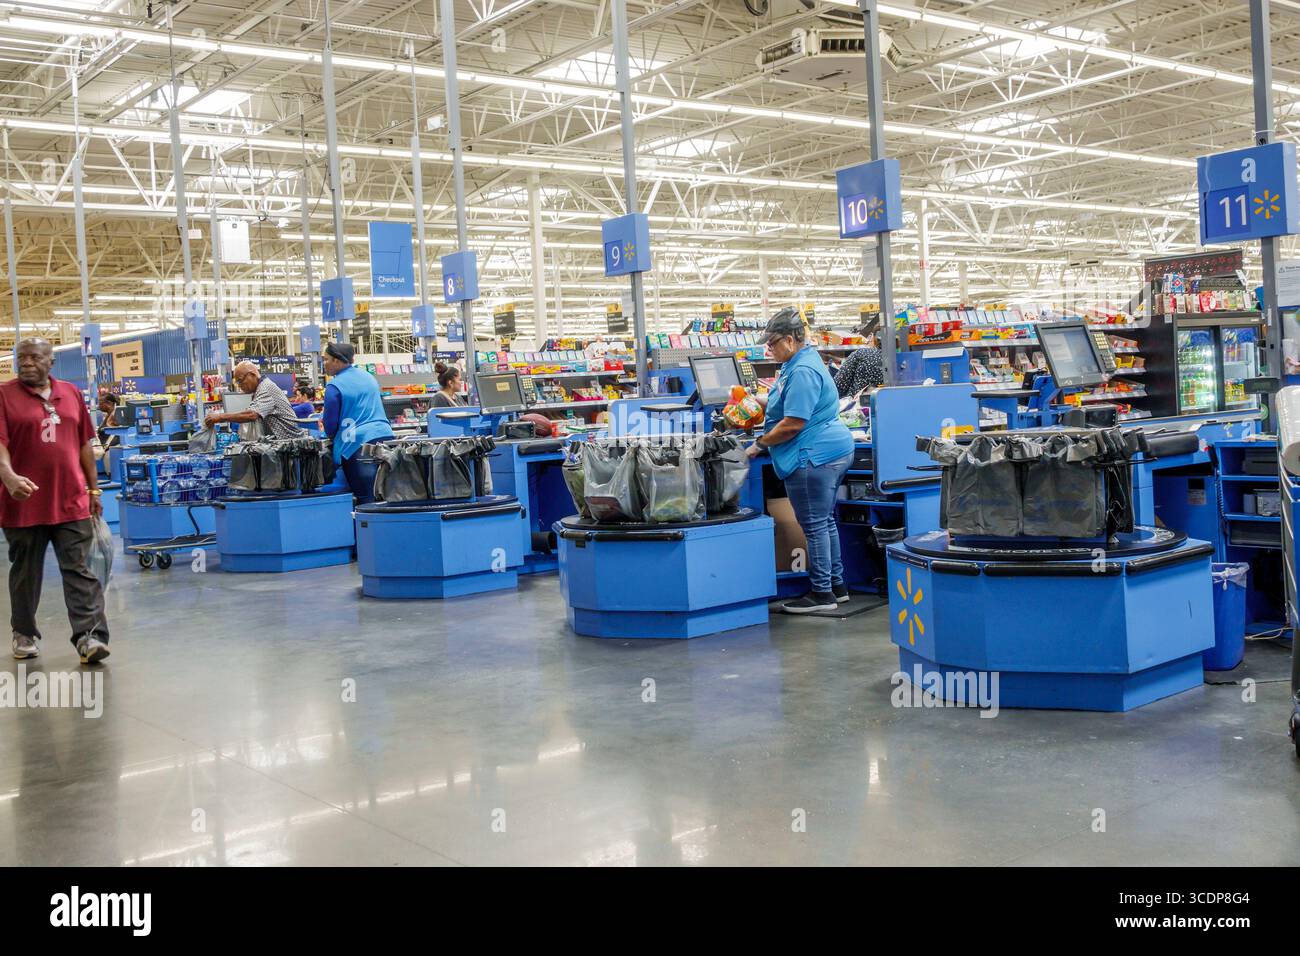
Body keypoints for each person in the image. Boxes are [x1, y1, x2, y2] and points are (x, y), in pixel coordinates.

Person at [0, 338, 110, 663]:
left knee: (79, 569)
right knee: (26, 572)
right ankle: (23, 633)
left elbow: (84, 445)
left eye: (35, 357)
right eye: (22, 358)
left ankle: (89, 637)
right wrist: (7, 476)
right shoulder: (4, 395)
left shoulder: (71, 393)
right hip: (23, 502)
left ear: (51, 362)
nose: (27, 363)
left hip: (71, 501)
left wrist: (93, 490)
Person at [747, 308, 855, 615]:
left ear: (792, 340)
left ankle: (822, 594)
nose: (769, 348)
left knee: (814, 524)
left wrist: (758, 444)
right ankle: (837, 586)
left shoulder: (803, 370)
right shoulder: (798, 364)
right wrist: (760, 402)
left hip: (815, 455)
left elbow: (794, 422)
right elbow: (788, 402)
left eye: (774, 342)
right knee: (824, 520)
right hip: (830, 451)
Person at [321, 341, 394, 501]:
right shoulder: (369, 377)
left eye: (326, 359)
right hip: (386, 439)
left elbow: (330, 426)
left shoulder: (335, 386)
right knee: (386, 495)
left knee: (365, 498)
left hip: (356, 444)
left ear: (337, 360)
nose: (324, 364)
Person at [204, 360, 304, 439]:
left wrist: (220, 417)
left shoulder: (265, 388)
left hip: (291, 446)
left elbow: (252, 414)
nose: (240, 385)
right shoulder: (260, 389)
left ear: (252, 375)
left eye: (240, 380)